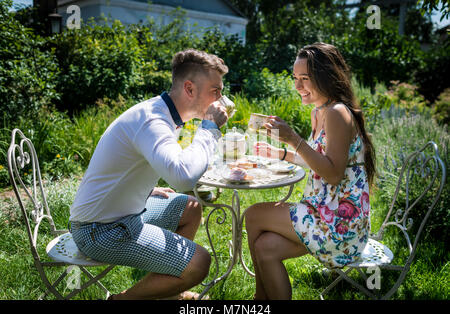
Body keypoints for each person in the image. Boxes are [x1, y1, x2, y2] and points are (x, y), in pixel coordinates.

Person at [69, 49, 229, 300]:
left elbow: (127, 167)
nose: (221, 98)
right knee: (200, 262)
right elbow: (183, 177)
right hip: (100, 230)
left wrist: (146, 190)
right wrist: (208, 128)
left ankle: (171, 292)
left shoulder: (162, 113)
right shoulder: (153, 121)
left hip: (122, 213)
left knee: (190, 206)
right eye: (215, 91)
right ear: (189, 89)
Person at [246, 42, 376, 300]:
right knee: (264, 248)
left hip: (341, 226)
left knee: (253, 215)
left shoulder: (338, 113)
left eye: (305, 78)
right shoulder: (320, 111)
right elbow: (321, 160)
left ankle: (258, 302)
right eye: (295, 78)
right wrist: (280, 153)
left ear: (326, 77)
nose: (297, 86)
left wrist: (294, 139)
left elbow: (333, 174)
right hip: (323, 211)